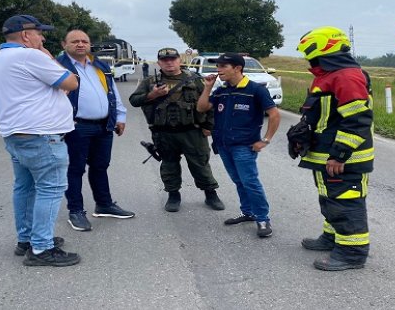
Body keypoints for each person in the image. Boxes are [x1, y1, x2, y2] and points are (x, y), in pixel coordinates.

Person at [0, 14, 80, 267]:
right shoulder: (31, 56)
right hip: (42, 136)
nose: (42, 38)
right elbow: (72, 82)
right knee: (51, 188)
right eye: (39, 33)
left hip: (16, 135)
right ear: (26, 35)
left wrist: (10, 114)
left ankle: (27, 239)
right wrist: (48, 56)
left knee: (24, 187)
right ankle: (41, 248)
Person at [292, 26, 374, 271]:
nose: (306, 57)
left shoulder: (346, 76)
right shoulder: (327, 74)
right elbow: (324, 116)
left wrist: (339, 154)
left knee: (346, 203)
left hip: (343, 158)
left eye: (308, 52)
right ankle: (332, 238)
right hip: (326, 155)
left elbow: (357, 119)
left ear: (321, 48)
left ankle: (352, 254)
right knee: (330, 200)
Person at [57, 29, 135, 231]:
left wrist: (120, 116)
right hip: (75, 126)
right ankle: (76, 211)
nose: (80, 44)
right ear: (64, 44)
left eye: (84, 41)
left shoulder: (99, 65)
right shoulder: (58, 66)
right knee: (75, 169)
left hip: (103, 125)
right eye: (75, 41)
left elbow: (112, 91)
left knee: (101, 166)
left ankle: (104, 204)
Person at [129, 47, 224, 212]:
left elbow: (209, 104)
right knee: (169, 165)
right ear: (159, 62)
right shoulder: (150, 82)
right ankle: (173, 195)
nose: (169, 63)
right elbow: (134, 101)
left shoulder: (195, 80)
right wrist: (152, 95)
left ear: (179, 60)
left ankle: (210, 194)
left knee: (200, 164)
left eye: (172, 59)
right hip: (164, 133)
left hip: (192, 131)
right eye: (165, 60)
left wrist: (209, 127)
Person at [196, 52, 280, 238]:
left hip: (244, 146)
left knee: (250, 182)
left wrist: (265, 140)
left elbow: (274, 115)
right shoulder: (222, 91)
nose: (218, 70)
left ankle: (262, 218)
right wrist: (208, 88)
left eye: (223, 66)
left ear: (237, 68)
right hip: (223, 145)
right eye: (217, 66)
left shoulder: (255, 90)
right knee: (239, 180)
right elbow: (201, 108)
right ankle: (248, 212)